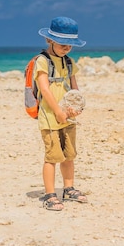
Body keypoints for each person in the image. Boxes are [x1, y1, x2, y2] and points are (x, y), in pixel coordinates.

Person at [35, 16, 88, 211]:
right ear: (50, 40)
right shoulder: (42, 62)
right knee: (52, 156)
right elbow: (45, 90)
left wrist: (76, 108)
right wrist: (57, 111)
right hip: (50, 117)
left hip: (68, 117)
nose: (66, 48)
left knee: (69, 155)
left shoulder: (68, 62)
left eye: (70, 45)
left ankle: (68, 188)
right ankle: (50, 194)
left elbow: (74, 89)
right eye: (63, 44)